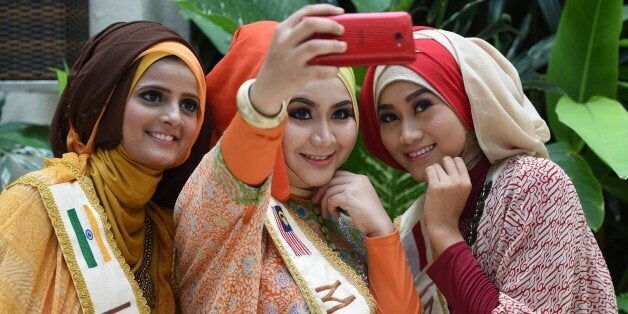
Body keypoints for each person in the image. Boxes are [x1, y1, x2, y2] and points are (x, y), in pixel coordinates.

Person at [174, 4, 420, 313]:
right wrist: (268, 90)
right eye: (301, 113)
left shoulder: (349, 227)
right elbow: (246, 151)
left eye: (341, 113)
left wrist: (382, 234)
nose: (325, 138)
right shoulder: (221, 207)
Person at [358, 26, 617, 313]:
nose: (407, 135)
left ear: (466, 103)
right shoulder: (416, 220)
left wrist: (444, 233)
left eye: (422, 106)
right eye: (389, 117)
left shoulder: (535, 186)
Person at [0, 21, 206, 313]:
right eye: (152, 96)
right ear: (106, 103)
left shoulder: (164, 232)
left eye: (189, 105)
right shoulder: (33, 207)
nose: (175, 117)